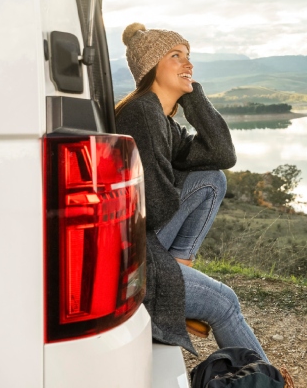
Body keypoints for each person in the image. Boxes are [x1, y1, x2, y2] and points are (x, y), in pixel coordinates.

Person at [115, 22, 269, 362]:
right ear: (152, 67)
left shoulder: (162, 120)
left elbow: (221, 155)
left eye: (189, 56)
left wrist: (193, 95)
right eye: (176, 56)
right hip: (137, 256)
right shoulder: (142, 114)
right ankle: (265, 382)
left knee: (211, 178)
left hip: (148, 242)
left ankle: (179, 266)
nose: (189, 64)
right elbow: (153, 210)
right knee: (224, 302)